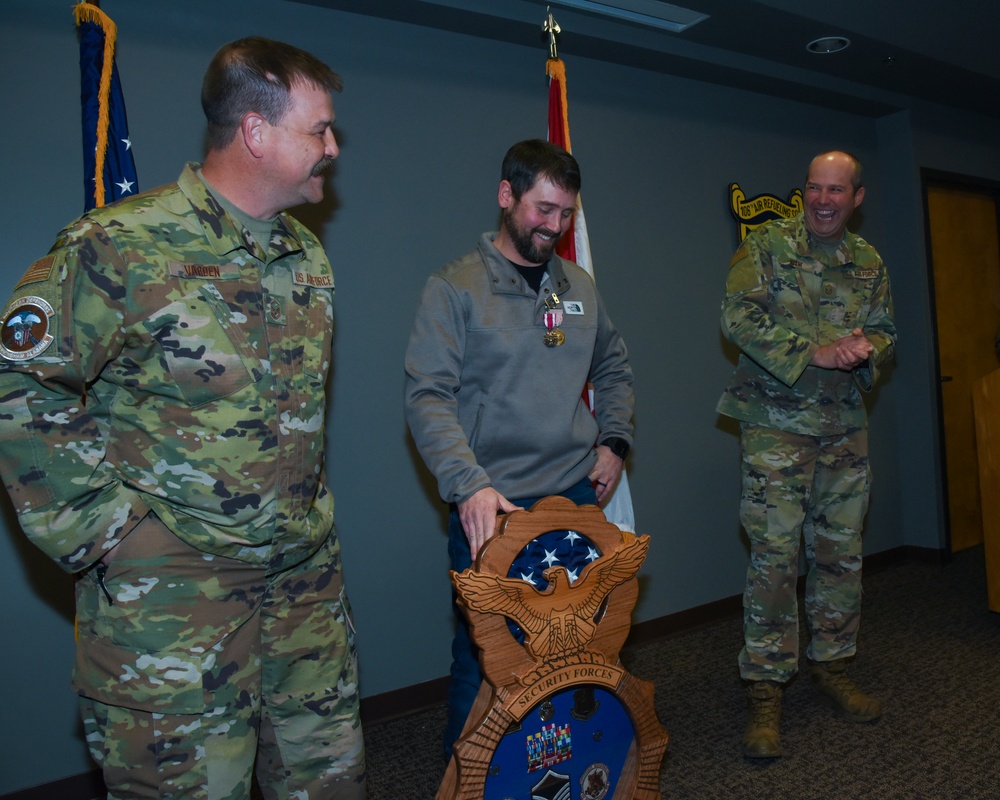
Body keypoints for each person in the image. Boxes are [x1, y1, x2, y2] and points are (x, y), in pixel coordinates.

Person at [0, 38, 365, 798]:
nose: (333, 148)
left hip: (304, 602)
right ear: (256, 134)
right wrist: (110, 533)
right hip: (175, 615)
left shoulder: (306, 257)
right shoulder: (117, 246)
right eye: (319, 131)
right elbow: (20, 384)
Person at [404, 139, 634, 756]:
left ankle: (570, 776)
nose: (554, 226)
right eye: (543, 209)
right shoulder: (454, 288)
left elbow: (613, 366)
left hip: (576, 501)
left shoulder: (577, 284)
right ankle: (467, 785)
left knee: (580, 651)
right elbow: (427, 397)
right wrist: (468, 483)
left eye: (566, 214)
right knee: (488, 658)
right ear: (506, 197)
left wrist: (614, 442)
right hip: (495, 506)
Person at [718, 150, 896, 759]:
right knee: (773, 556)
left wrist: (867, 348)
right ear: (805, 192)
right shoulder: (767, 246)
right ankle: (765, 689)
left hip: (844, 428)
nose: (824, 200)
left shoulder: (868, 262)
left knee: (840, 553)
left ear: (857, 197)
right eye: (815, 188)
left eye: (837, 191)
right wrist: (816, 352)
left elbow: (887, 332)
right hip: (776, 427)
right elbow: (736, 318)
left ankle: (833, 666)